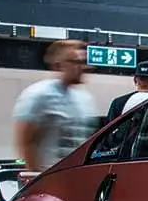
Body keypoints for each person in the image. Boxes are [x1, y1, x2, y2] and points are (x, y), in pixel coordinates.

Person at [13, 39, 99, 173]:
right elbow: (26, 141)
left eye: (84, 62)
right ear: (58, 65)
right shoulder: (39, 95)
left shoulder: (85, 99)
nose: (82, 68)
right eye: (76, 62)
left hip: (77, 178)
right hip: (49, 178)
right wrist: (35, 177)